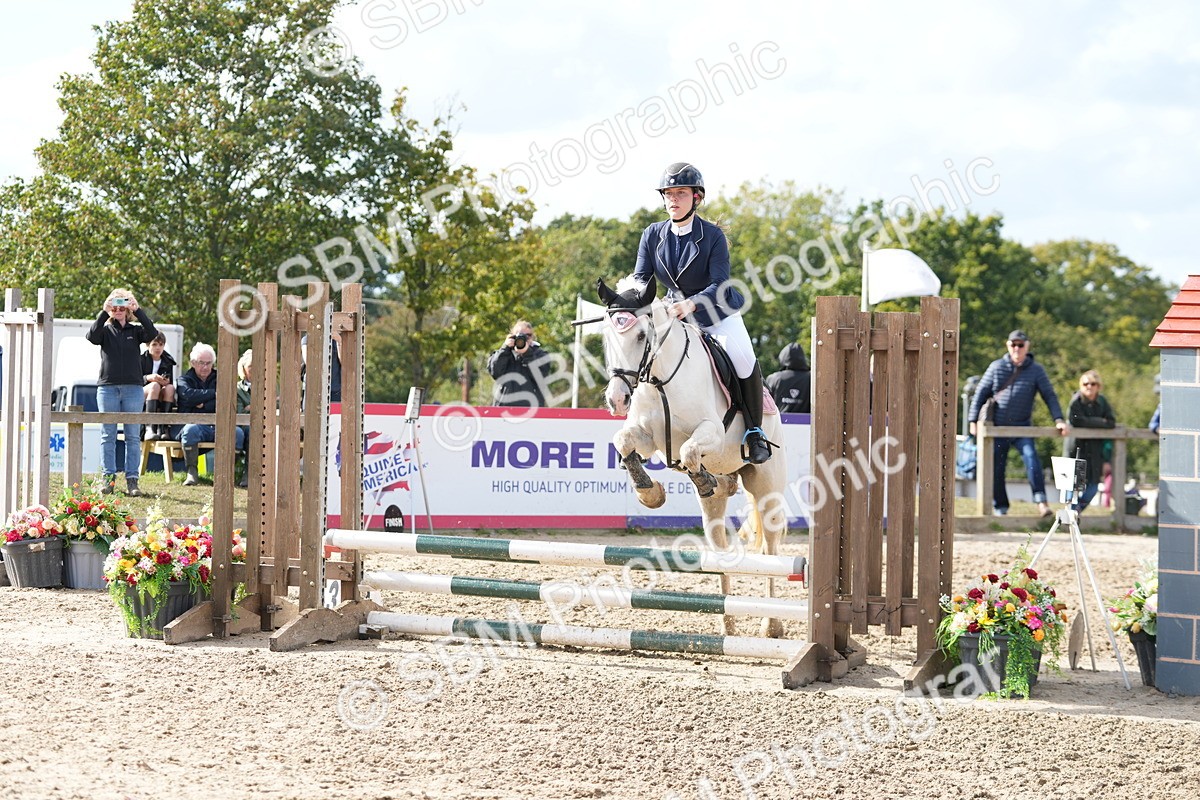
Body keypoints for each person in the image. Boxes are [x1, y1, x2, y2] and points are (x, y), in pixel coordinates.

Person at [631, 161, 773, 463]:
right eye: (668, 194)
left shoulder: (712, 237)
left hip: (716, 313)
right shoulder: (652, 235)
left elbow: (720, 284)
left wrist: (690, 303)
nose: (672, 199)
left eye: (680, 193)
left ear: (697, 197)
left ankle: (754, 432)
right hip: (673, 315)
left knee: (743, 357)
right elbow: (641, 280)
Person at [968, 330, 1068, 517]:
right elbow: (980, 394)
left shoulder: (1036, 370)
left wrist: (1059, 420)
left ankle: (1041, 503)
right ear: (1008, 345)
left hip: (1022, 427)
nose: (1017, 348)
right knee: (997, 467)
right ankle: (1001, 508)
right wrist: (972, 421)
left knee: (1032, 460)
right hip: (997, 428)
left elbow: (1050, 396)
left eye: (1020, 345)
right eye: (1013, 344)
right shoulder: (996, 367)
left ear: (1027, 347)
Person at [86, 289, 159, 496]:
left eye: (122, 306)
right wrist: (103, 311)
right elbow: (91, 336)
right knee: (107, 435)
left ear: (127, 309)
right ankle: (108, 480)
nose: (118, 310)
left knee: (133, 436)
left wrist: (139, 311)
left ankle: (132, 480)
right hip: (107, 388)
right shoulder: (105, 331)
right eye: (114, 307)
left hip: (133, 389)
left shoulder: (135, 331)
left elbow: (152, 333)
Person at [174, 342, 245, 486]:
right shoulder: (184, 379)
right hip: (195, 424)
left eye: (209, 363)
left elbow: (227, 398)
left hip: (218, 424)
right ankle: (192, 473)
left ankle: (226, 474)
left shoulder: (221, 378)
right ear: (193, 363)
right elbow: (188, 396)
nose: (205, 367)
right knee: (190, 430)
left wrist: (203, 403)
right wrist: (214, 394)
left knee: (237, 433)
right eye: (201, 363)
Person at [1066, 370, 1116, 513]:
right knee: (1074, 484)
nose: (1089, 387)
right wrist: (1100, 422)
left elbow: (1111, 422)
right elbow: (1076, 420)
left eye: (1093, 384)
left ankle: (1076, 512)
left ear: (1098, 386)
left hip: (1095, 450)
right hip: (1077, 448)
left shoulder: (1102, 402)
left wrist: (1089, 422)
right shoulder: (1076, 400)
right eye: (1085, 384)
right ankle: (1069, 513)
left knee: (1093, 485)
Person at [486, 320, 555, 408]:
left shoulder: (540, 355)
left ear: (533, 337)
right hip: (504, 409)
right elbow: (495, 371)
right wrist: (505, 348)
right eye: (519, 335)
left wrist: (527, 354)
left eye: (528, 336)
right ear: (512, 336)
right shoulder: (503, 354)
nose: (523, 339)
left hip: (532, 409)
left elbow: (541, 376)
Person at [140, 332, 177, 441]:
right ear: (148, 345)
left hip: (160, 393)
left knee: (170, 388)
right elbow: (133, 380)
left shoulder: (168, 361)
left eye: (161, 345)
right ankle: (150, 428)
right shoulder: (140, 360)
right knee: (154, 386)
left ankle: (164, 428)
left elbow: (169, 382)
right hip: (142, 393)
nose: (158, 348)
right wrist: (148, 378)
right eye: (154, 344)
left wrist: (165, 381)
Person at [765, 342, 811, 414]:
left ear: (783, 357)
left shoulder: (774, 378)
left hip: (779, 423)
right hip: (808, 424)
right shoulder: (811, 379)